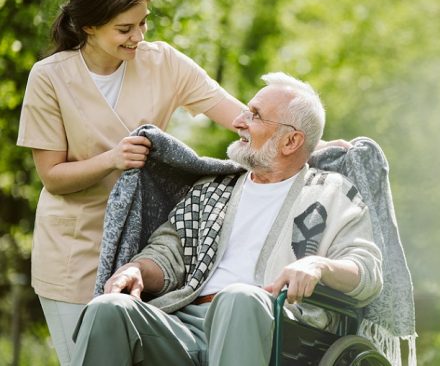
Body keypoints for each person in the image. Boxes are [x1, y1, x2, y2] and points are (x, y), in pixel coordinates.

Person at [15, 0, 246, 365]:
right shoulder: (49, 77)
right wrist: (112, 159)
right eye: (125, 28)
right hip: (73, 253)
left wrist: (301, 136)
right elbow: (52, 177)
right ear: (89, 26)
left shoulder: (165, 63)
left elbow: (240, 118)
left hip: (143, 252)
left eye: (143, 23)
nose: (138, 36)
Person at [70, 72, 383, 366]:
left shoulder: (331, 194)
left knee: (238, 297)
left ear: (291, 141)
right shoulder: (212, 190)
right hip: (186, 324)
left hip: (279, 328)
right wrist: (136, 268)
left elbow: (367, 269)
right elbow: (167, 253)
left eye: (254, 115)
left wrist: (318, 265)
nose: (238, 122)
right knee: (108, 309)